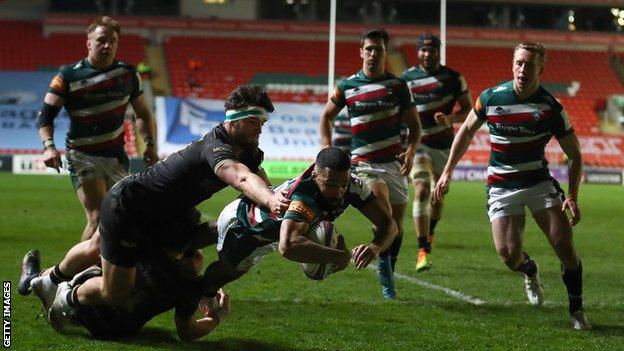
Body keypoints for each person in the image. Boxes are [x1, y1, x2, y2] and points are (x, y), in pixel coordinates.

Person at [31, 85, 290, 328]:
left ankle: (47, 279)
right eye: (254, 122)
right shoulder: (216, 147)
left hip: (160, 215)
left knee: (98, 247)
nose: (260, 129)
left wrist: (276, 203)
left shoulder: (250, 150)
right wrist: (269, 200)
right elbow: (241, 177)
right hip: (129, 208)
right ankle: (66, 297)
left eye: (263, 123)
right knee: (116, 292)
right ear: (235, 119)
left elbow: (258, 182)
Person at [434, 42, 589, 330]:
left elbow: (575, 155)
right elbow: (466, 130)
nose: (522, 69)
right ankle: (529, 269)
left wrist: (573, 196)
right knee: (508, 255)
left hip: (538, 183)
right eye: (519, 62)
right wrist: (447, 172)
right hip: (502, 186)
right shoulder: (491, 97)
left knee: (565, 247)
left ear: (540, 69)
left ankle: (576, 310)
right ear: (512, 64)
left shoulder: (551, 107)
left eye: (529, 64)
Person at [201, 147, 398, 302]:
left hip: (277, 229)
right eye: (330, 184)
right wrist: (340, 256)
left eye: (343, 184)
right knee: (225, 274)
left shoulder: (353, 185)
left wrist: (375, 246)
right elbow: (288, 247)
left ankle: (185, 245)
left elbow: (390, 224)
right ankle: (195, 291)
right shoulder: (304, 196)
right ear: (315, 176)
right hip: (244, 227)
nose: (338, 192)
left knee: (209, 242)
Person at [319, 28, 421, 299]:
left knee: (395, 228)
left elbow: (415, 127)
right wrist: (326, 149)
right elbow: (326, 116)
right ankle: (387, 281)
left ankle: (387, 268)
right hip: (364, 164)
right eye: (370, 48)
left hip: (394, 164)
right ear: (361, 51)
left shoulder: (398, 87)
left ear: (386, 53)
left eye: (379, 49)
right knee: (384, 214)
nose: (374, 53)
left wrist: (410, 151)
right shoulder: (347, 86)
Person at [37, 16, 159, 242]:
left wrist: (150, 145)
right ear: (89, 43)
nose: (108, 45)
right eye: (101, 40)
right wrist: (49, 147)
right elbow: (45, 116)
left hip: (116, 156)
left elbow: (143, 113)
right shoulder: (68, 76)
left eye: (113, 41)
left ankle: (103, 271)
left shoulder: (128, 74)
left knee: (121, 216)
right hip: (82, 155)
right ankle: (74, 275)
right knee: (97, 217)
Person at [26, 225, 229, 340]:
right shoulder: (189, 288)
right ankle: (40, 281)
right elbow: (188, 332)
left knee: (98, 258)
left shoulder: (143, 246)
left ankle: (40, 279)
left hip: (87, 306)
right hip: (115, 331)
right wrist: (217, 317)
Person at [400, 33, 473, 272]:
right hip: (417, 143)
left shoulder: (453, 78)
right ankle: (423, 250)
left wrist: (450, 118)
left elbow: (469, 110)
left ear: (438, 52)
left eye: (431, 50)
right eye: (423, 50)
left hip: (444, 146)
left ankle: (430, 232)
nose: (427, 54)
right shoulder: (407, 79)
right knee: (421, 189)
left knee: (437, 195)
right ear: (418, 51)